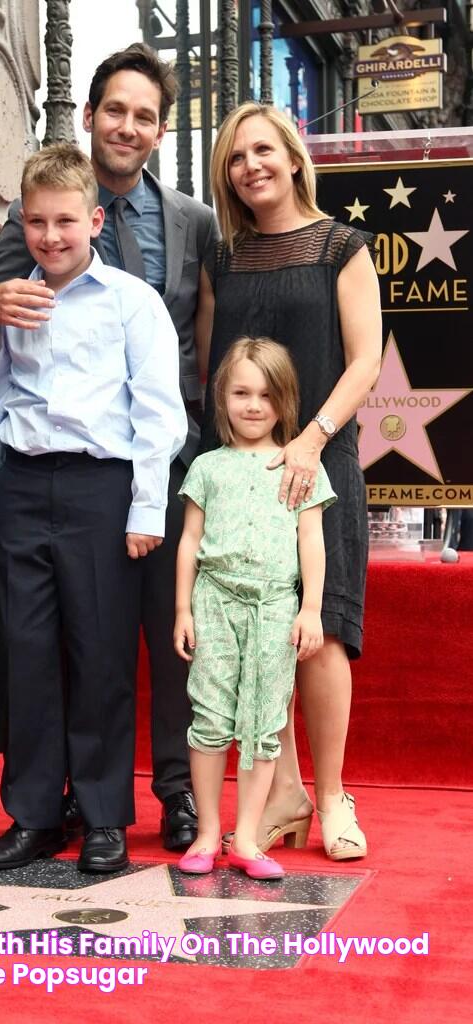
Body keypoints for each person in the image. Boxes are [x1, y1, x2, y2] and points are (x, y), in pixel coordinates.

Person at [0, 43, 219, 851]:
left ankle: (147, 801)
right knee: (37, 649)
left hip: (144, 467)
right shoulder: (30, 249)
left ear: (160, 129)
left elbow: (197, 354)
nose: (128, 125)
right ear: (91, 114)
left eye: (144, 115)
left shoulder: (189, 224)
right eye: (116, 109)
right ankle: (42, 808)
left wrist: (177, 477)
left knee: (136, 642)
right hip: (36, 479)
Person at [199, 103, 382, 861]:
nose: (251, 167)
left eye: (263, 150)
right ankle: (283, 792)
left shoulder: (342, 246)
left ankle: (333, 794)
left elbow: (365, 359)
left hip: (319, 463)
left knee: (321, 632)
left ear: (293, 156)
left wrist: (308, 441)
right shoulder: (222, 258)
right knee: (255, 637)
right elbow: (212, 372)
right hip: (242, 477)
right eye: (237, 157)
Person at [173, 338, 336, 879]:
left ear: (284, 402)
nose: (253, 405)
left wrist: (310, 609)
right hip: (214, 601)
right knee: (211, 717)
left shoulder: (300, 466)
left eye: (266, 395)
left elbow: (311, 541)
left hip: (274, 607)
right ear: (222, 397)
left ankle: (246, 838)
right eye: (241, 392)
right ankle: (205, 833)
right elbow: (190, 541)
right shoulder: (206, 467)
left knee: (265, 721)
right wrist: (183, 610)